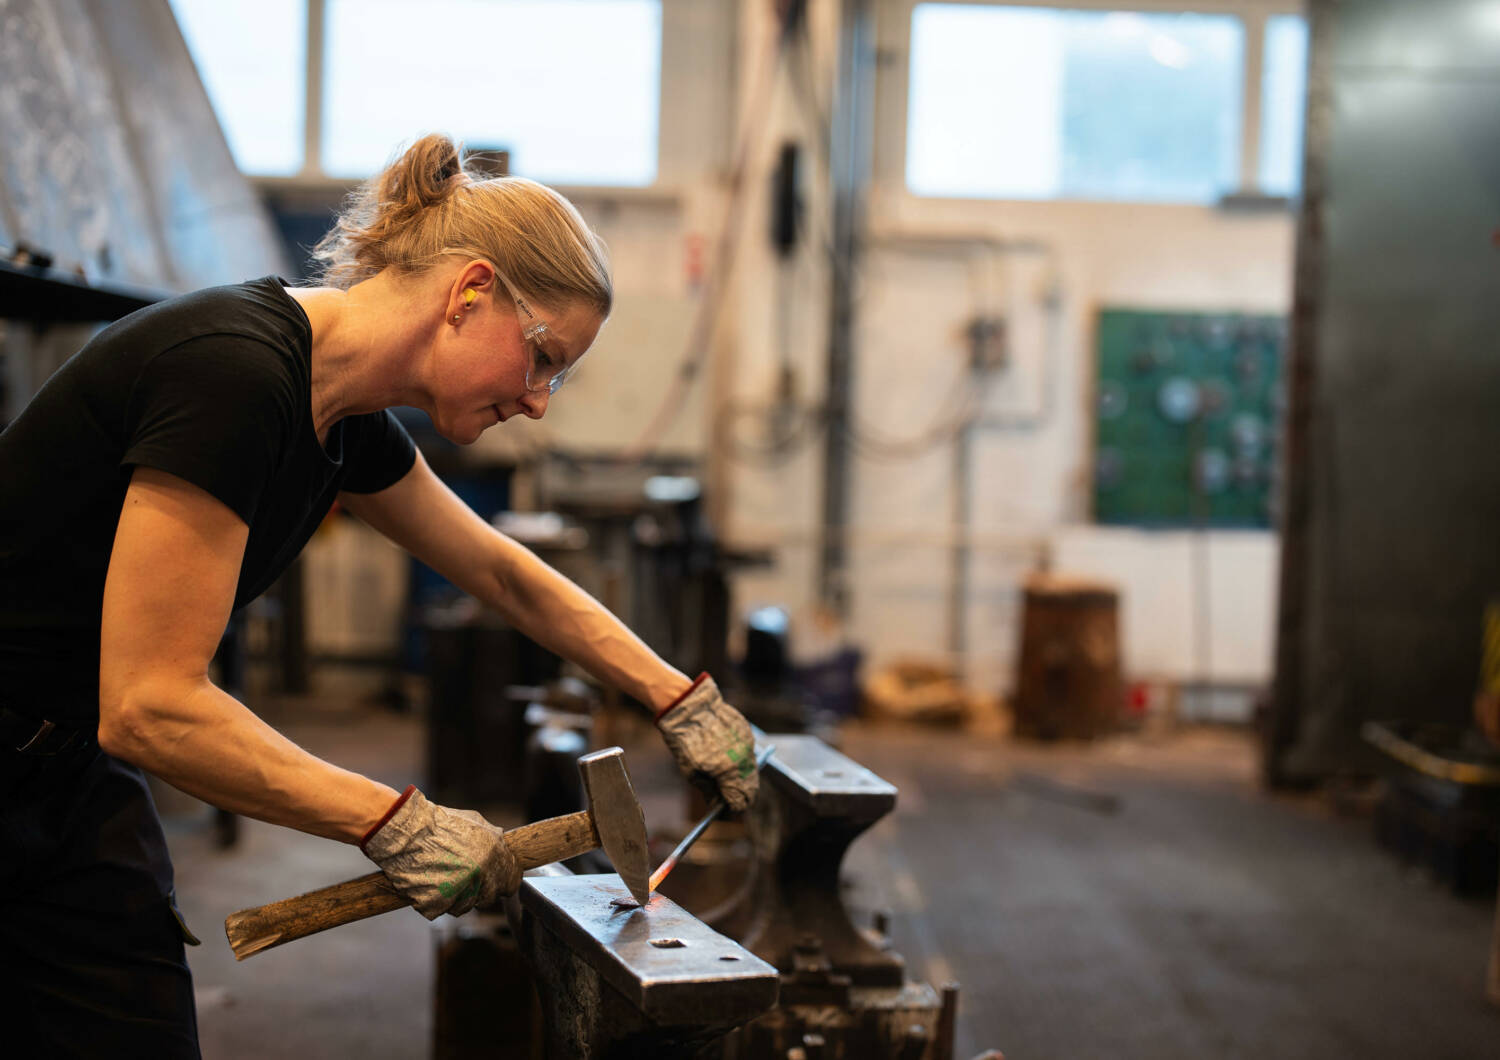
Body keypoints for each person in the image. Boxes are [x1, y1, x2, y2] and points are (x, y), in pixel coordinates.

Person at [0, 134, 757, 1057]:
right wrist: (392, 820)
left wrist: (678, 694)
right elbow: (152, 706)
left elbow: (499, 569)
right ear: (471, 292)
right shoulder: (232, 375)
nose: (540, 401)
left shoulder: (341, 414)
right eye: (543, 358)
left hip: (61, 767)